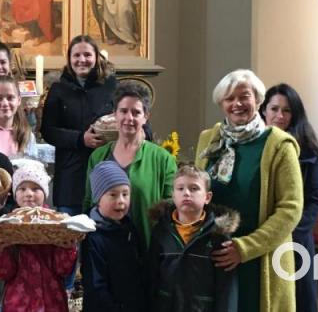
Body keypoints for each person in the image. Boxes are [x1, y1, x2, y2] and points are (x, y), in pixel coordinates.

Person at [196, 69, 303, 312]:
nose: (237, 104)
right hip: (214, 253)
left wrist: (245, 248)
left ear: (258, 99)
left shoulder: (279, 145)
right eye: (229, 98)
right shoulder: (209, 139)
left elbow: (291, 209)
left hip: (260, 256)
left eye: (244, 97)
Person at [83, 83, 176, 244]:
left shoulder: (162, 158)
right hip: (104, 250)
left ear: (146, 117)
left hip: (147, 248)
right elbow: (89, 202)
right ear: (115, 114)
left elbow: (173, 205)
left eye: (136, 112)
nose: (129, 118)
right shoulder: (98, 156)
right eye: (124, 111)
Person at [261, 84, 318, 312]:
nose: (279, 116)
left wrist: (289, 232)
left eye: (286, 110)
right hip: (260, 235)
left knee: (300, 299)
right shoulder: (256, 145)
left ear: (295, 114)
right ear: (263, 111)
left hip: (294, 237)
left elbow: (315, 201)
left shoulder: (310, 151)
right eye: (274, 108)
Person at [41, 35, 118, 217]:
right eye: (76, 55)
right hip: (70, 175)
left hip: (105, 168)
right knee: (70, 237)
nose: (82, 60)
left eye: (87, 55)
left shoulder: (111, 87)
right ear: (69, 59)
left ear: (96, 57)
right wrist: (80, 139)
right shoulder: (58, 89)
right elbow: (48, 131)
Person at [146, 163, 238, 312]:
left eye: (194, 188)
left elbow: (226, 289)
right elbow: (151, 278)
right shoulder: (160, 231)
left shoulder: (219, 236)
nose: (186, 193)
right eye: (180, 188)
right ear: (173, 196)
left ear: (207, 197)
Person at [0, 165, 78, 312]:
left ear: (45, 192)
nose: (28, 194)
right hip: (18, 304)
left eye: (35, 189)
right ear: (15, 194)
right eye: (22, 189)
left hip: (52, 302)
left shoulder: (57, 224)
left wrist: (68, 249)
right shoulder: (6, 225)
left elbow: (63, 270)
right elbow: (4, 273)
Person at [80, 161, 146, 312]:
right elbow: (95, 284)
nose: (121, 201)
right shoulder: (92, 236)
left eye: (125, 194)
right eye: (113, 195)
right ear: (98, 199)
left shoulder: (129, 227)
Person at [0, 75, 39, 158]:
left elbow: (32, 167)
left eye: (10, 98)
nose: (5, 103)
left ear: (19, 100)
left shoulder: (27, 135)